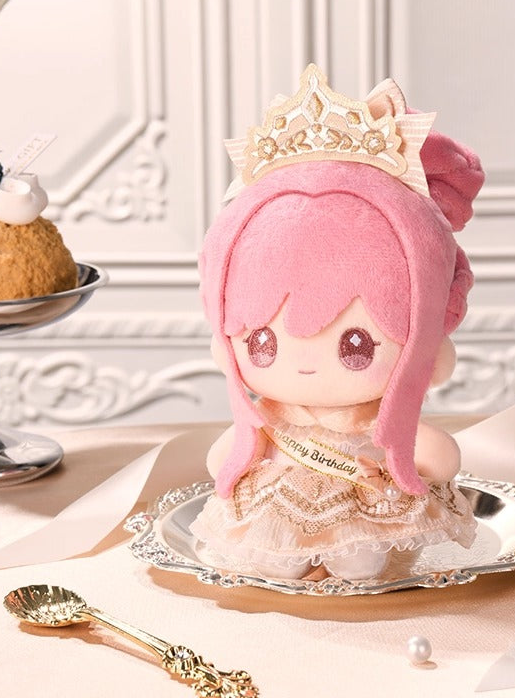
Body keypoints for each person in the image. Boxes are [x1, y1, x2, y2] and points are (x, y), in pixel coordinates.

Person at [191, 65, 484, 581]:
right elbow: (224, 459)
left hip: (370, 484)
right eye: (263, 342)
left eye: (356, 345)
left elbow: (438, 458)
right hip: (279, 485)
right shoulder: (274, 419)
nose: (304, 363)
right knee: (270, 554)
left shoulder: (379, 422)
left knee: (362, 559)